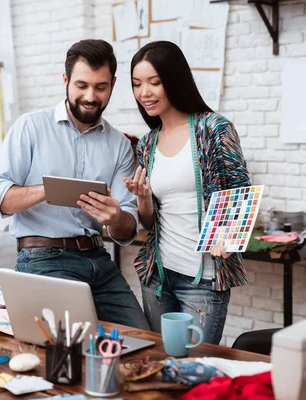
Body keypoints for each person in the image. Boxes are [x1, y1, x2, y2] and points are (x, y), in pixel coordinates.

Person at [0, 39, 150, 330]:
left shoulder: (119, 145)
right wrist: (47, 189)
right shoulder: (31, 127)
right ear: (65, 80)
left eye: (100, 87)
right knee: (70, 347)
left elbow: (126, 230)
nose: (90, 96)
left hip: (100, 260)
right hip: (43, 259)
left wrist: (116, 218)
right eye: (81, 85)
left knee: (143, 341)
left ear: (112, 84)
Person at [124, 41, 250, 344]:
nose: (145, 93)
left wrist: (228, 235)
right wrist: (142, 198)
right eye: (137, 84)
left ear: (175, 80)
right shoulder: (147, 143)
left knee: (194, 369)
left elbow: (239, 187)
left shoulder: (214, 128)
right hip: (158, 276)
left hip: (203, 280)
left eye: (155, 82)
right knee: (161, 366)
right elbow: (149, 222)